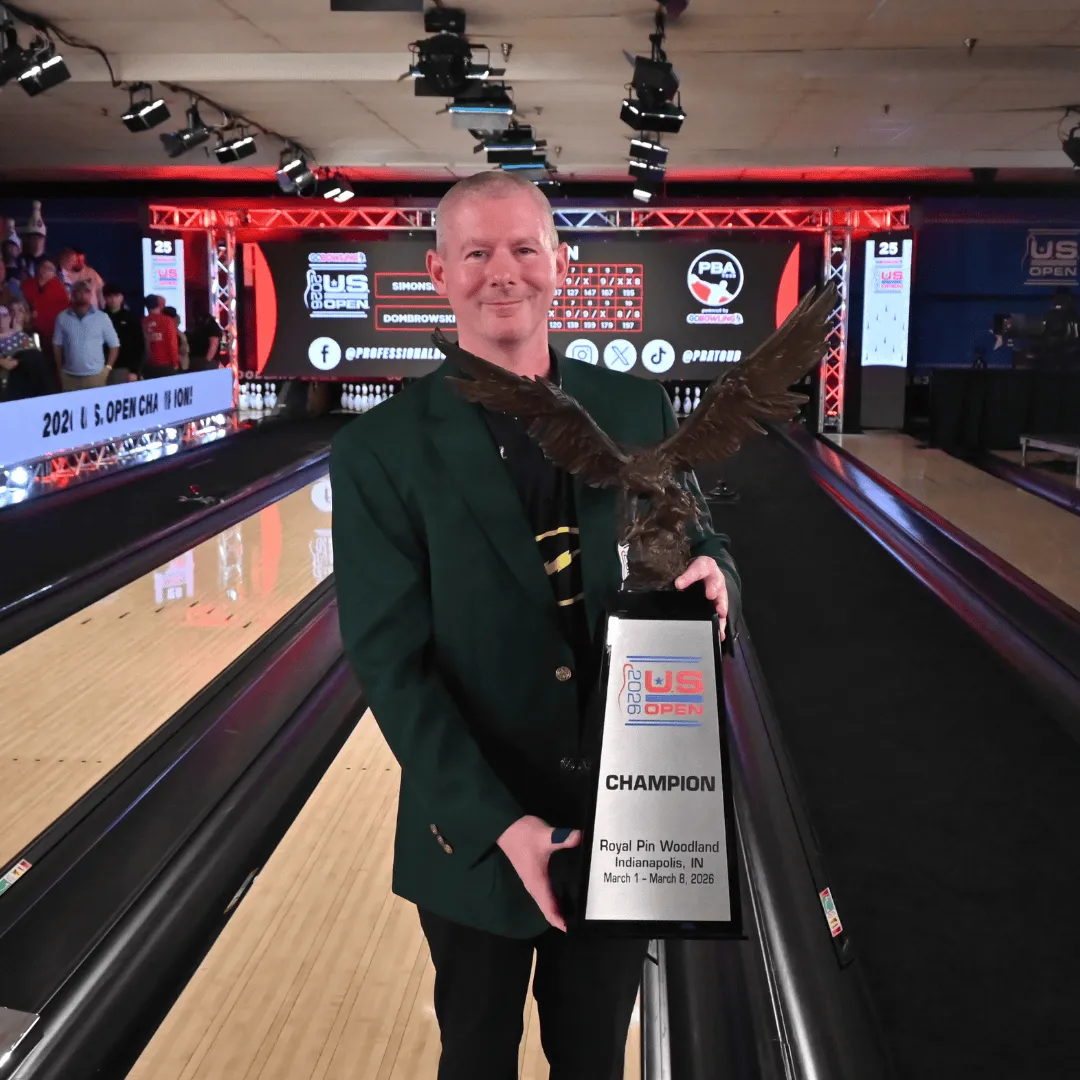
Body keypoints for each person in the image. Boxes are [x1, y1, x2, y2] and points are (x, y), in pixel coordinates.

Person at [330, 172, 740, 1080]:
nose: (501, 272)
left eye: (522, 248)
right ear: (440, 272)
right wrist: (498, 822)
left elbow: (689, 534)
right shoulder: (380, 447)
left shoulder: (631, 409)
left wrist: (717, 575)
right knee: (475, 1053)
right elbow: (391, 664)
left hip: (621, 816)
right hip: (475, 826)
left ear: (562, 262)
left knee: (594, 1056)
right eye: (475, 253)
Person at [52, 280, 119, 390]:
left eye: (86, 291)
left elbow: (114, 345)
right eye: (78, 292)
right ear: (72, 295)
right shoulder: (62, 317)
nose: (82, 295)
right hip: (69, 377)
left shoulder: (102, 317)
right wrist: (60, 370)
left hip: (96, 376)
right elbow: (57, 346)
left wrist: (107, 369)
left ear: (90, 294)